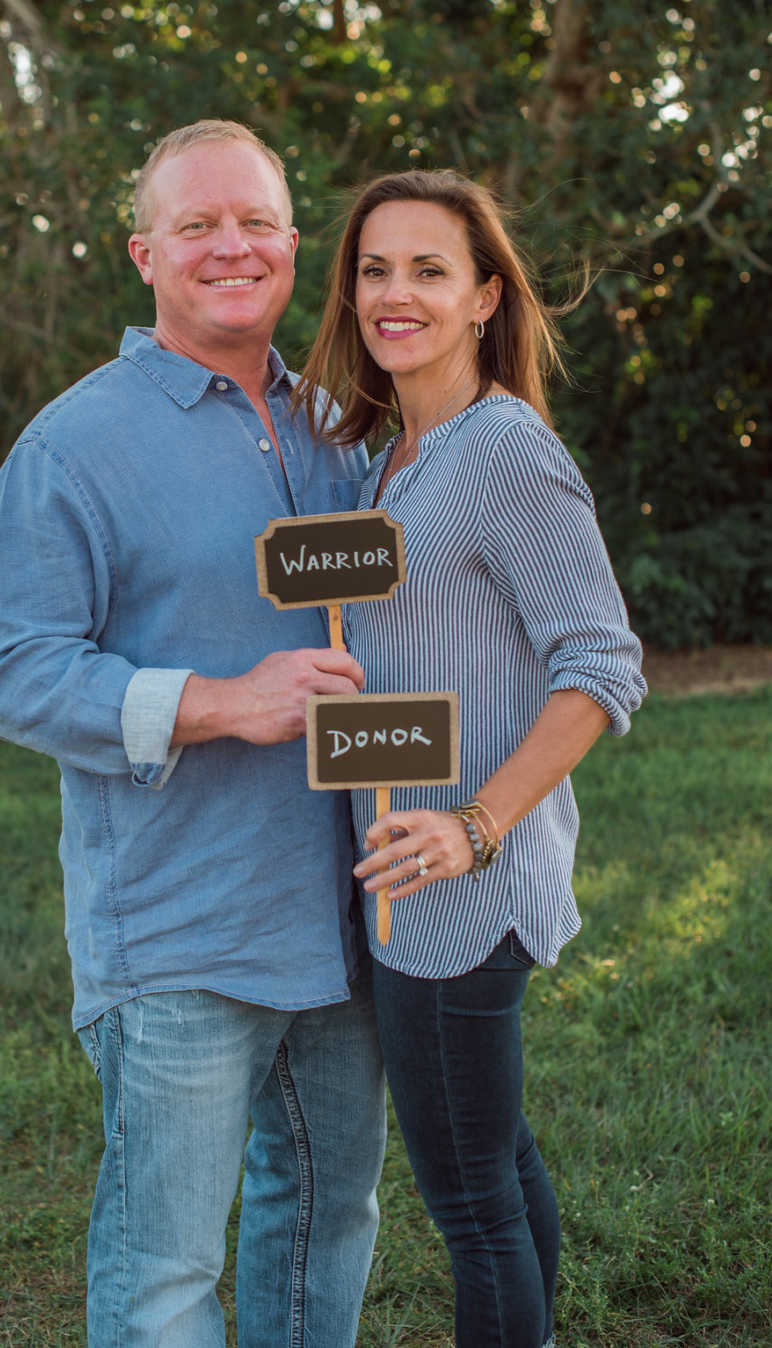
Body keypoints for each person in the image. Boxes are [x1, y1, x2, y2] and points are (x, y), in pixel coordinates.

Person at [0, 120, 386, 1348]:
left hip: (351, 917)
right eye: (197, 224)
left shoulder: (341, 428)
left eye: (255, 221)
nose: (230, 246)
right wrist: (223, 700)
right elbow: (9, 670)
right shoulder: (74, 446)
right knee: (164, 1279)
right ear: (144, 251)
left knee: (326, 1226)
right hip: (181, 934)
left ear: (295, 247)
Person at [294, 169, 647, 1348]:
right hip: (407, 881)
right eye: (376, 268)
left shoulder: (502, 450)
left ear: (486, 297)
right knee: (495, 1160)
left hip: (456, 890)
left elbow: (602, 666)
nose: (397, 293)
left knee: (471, 1207)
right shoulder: (393, 457)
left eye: (430, 270)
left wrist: (473, 825)